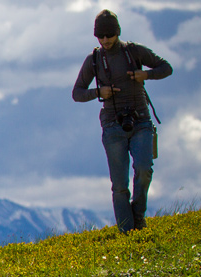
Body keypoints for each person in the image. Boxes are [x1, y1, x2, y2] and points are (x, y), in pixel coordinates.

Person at [73, 9, 172, 232]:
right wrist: (99, 93)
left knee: (145, 169)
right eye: (101, 36)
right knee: (119, 185)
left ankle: (138, 217)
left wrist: (146, 75)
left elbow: (166, 68)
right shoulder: (94, 60)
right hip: (112, 125)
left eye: (110, 35)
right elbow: (77, 93)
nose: (106, 40)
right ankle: (128, 232)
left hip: (141, 121)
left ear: (118, 32)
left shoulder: (134, 52)